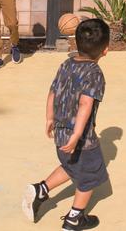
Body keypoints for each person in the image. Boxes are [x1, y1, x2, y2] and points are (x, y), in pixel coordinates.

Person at [22, 19, 110, 230]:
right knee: (89, 176)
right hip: (81, 138)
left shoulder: (66, 64)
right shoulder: (95, 73)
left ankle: (41, 190)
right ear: (105, 50)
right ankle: (74, 218)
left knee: (71, 167)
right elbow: (85, 103)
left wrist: (49, 118)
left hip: (60, 132)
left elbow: (52, 92)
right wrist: (77, 134)